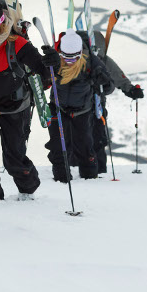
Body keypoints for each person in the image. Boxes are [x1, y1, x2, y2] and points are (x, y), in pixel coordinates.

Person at [0, 0, 60, 204]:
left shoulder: (17, 44)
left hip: (16, 109)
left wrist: (53, 63)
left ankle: (27, 190)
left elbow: (45, 74)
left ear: (1, 25)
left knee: (14, 157)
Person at [44, 30, 114, 181]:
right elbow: (43, 80)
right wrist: (45, 67)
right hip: (59, 109)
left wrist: (103, 82)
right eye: (66, 57)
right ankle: (61, 178)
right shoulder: (55, 60)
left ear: (80, 53)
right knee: (58, 146)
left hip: (82, 110)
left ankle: (90, 176)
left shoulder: (91, 61)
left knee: (84, 146)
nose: (70, 61)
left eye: (74, 57)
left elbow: (109, 88)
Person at [84, 29, 144, 173]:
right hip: (93, 106)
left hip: (91, 106)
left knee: (92, 139)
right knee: (94, 139)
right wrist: (129, 89)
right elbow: (118, 76)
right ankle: (96, 170)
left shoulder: (101, 61)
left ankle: (95, 171)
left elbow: (118, 77)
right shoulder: (102, 60)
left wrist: (130, 89)